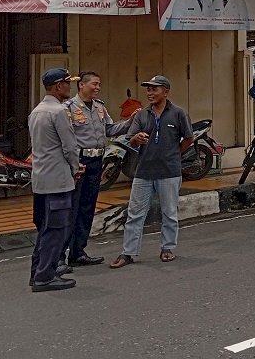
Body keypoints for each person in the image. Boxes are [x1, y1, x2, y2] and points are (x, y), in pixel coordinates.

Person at [110, 75, 193, 268]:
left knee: (169, 212)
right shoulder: (141, 115)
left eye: (154, 89)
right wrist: (136, 139)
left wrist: (174, 153)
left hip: (169, 171)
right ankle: (128, 253)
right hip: (144, 171)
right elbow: (130, 138)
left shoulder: (179, 113)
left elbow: (188, 138)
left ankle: (167, 248)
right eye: (148, 89)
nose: (150, 93)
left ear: (166, 91)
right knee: (135, 213)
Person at [61, 71, 137, 267]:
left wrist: (130, 123)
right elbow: (64, 139)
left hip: (96, 163)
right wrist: (72, 164)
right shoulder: (68, 108)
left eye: (99, 84)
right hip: (78, 162)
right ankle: (60, 257)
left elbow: (110, 130)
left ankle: (78, 253)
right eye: (94, 84)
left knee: (87, 208)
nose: (97, 88)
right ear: (81, 85)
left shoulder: (100, 107)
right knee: (71, 210)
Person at [28, 68, 81, 292]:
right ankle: (45, 276)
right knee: (56, 228)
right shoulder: (59, 111)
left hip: (40, 178)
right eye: (68, 83)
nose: (70, 87)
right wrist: (75, 168)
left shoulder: (37, 111)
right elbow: (70, 147)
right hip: (58, 179)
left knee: (44, 228)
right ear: (58, 86)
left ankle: (37, 271)